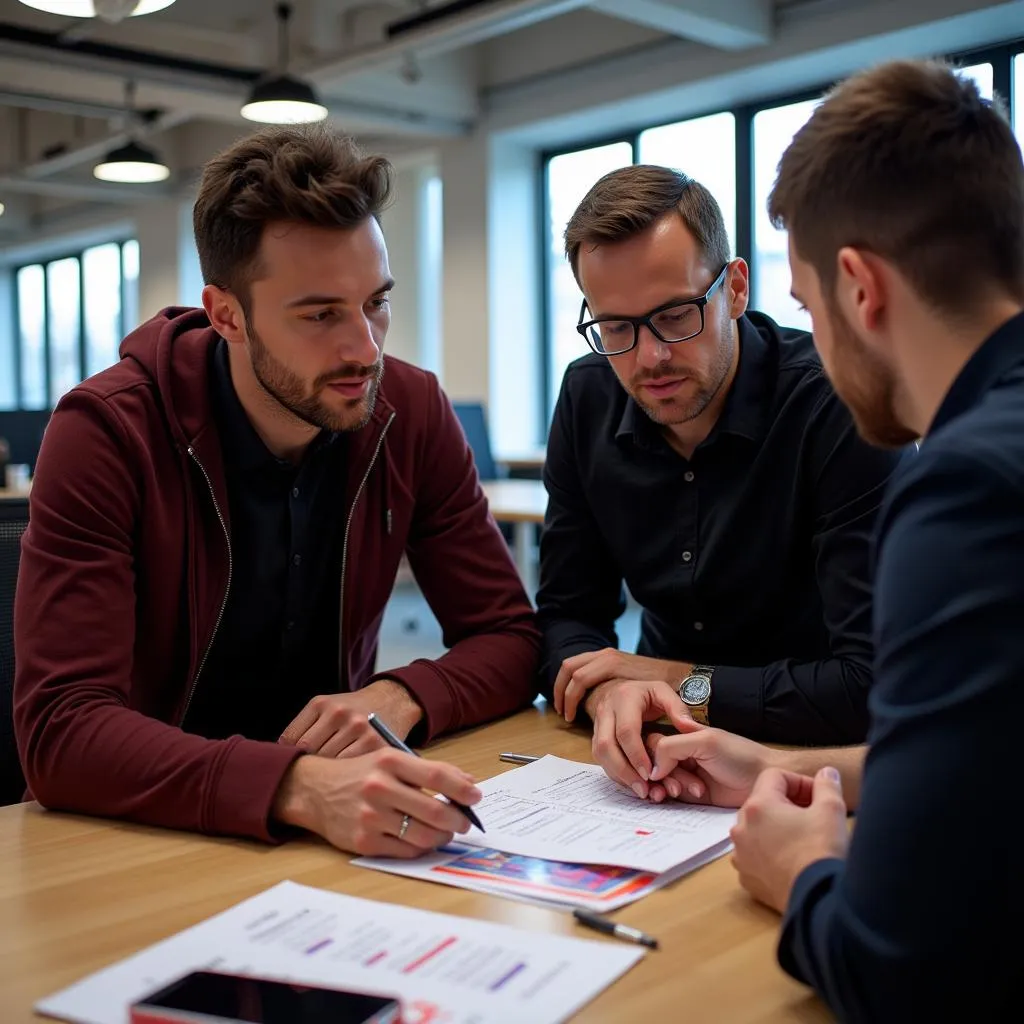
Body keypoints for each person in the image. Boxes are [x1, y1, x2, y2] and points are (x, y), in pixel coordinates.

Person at [13, 124, 540, 858]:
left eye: (376, 303)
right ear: (227, 313)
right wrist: (297, 786)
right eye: (321, 314)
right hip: (139, 831)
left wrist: (402, 694)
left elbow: (512, 638)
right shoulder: (105, 432)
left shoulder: (410, 412)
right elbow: (62, 732)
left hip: (333, 832)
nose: (365, 347)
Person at [640, 60, 1024, 1022]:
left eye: (806, 304)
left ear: (858, 287)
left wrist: (801, 872)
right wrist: (779, 765)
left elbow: (896, 968)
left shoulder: (966, 491)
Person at [537, 163, 903, 794]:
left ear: (734, 289)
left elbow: (870, 684)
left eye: (675, 315)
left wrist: (670, 681)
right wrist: (611, 697)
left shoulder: (836, 405)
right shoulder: (586, 396)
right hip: (661, 749)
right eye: (616, 329)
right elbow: (565, 618)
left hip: (815, 760)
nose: (650, 357)